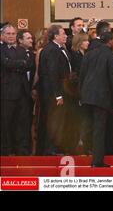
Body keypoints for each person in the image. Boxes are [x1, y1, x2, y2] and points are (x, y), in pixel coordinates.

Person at [80, 32, 113, 167]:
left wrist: (81, 94)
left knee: (88, 126)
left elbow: (82, 75)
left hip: (86, 95)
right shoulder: (112, 55)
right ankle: (97, 161)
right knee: (99, 129)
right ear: (110, 41)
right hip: (102, 97)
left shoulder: (89, 54)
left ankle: (85, 151)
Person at [37, 25, 72, 155]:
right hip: (53, 94)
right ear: (55, 36)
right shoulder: (51, 50)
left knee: (57, 121)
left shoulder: (58, 48)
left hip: (58, 92)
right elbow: (52, 73)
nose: (66, 36)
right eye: (63, 34)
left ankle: (53, 147)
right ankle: (50, 149)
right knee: (53, 121)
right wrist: (58, 95)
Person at [1, 25, 34, 155]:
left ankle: (22, 151)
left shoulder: (21, 50)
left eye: (13, 33)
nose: (10, 36)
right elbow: (5, 63)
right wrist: (19, 64)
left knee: (22, 123)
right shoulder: (1, 49)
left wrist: (14, 63)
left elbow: (28, 64)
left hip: (23, 93)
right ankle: (6, 151)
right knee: (6, 124)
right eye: (8, 33)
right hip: (7, 94)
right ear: (3, 35)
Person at [68, 32, 91, 154]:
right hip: (77, 92)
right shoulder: (75, 55)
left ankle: (85, 146)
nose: (88, 43)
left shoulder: (85, 54)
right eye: (85, 41)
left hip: (85, 91)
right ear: (79, 42)